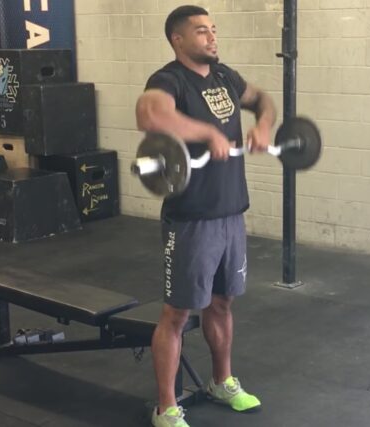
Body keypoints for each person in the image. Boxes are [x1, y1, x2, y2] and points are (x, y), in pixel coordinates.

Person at [135, 5, 277, 427]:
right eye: (201, 31)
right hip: (192, 216)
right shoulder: (169, 80)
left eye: (213, 29)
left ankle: (221, 380)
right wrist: (207, 133)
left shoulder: (225, 77)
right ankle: (166, 407)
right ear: (178, 40)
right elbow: (150, 114)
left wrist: (265, 125)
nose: (212, 37)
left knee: (222, 303)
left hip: (231, 210)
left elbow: (264, 98)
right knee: (177, 314)